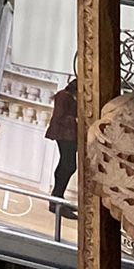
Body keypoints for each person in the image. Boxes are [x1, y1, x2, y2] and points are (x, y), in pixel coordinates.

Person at [46, 75, 78, 218]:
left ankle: (58, 197)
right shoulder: (64, 97)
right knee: (68, 165)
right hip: (64, 135)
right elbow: (59, 117)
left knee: (66, 164)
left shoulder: (67, 96)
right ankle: (56, 199)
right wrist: (76, 120)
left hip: (68, 135)